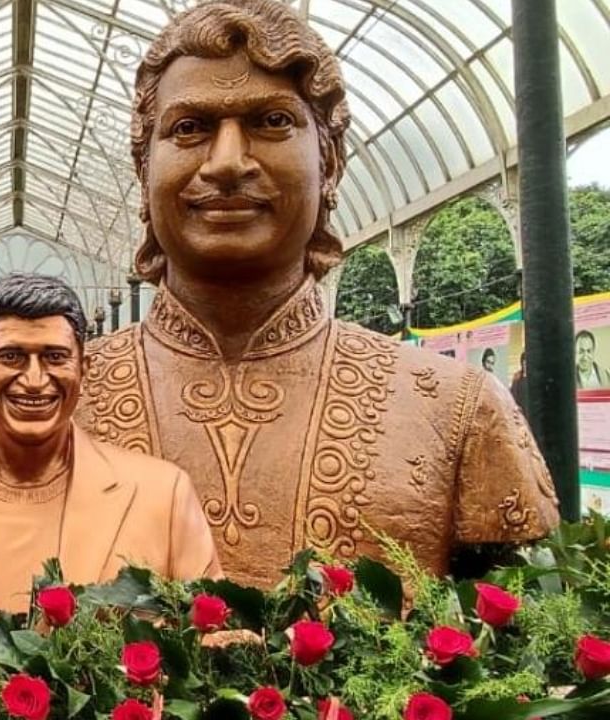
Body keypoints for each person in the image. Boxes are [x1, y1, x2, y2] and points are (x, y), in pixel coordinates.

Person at [76, 0, 557, 588]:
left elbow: (527, 639)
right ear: (143, 168)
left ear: (330, 163)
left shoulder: (459, 409)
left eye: (272, 122)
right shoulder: (42, 404)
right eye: (189, 128)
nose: (227, 162)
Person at [0, 274, 219, 619]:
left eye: (55, 357)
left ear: (85, 369)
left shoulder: (162, 495)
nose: (34, 380)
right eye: (11, 357)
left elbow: (208, 637)